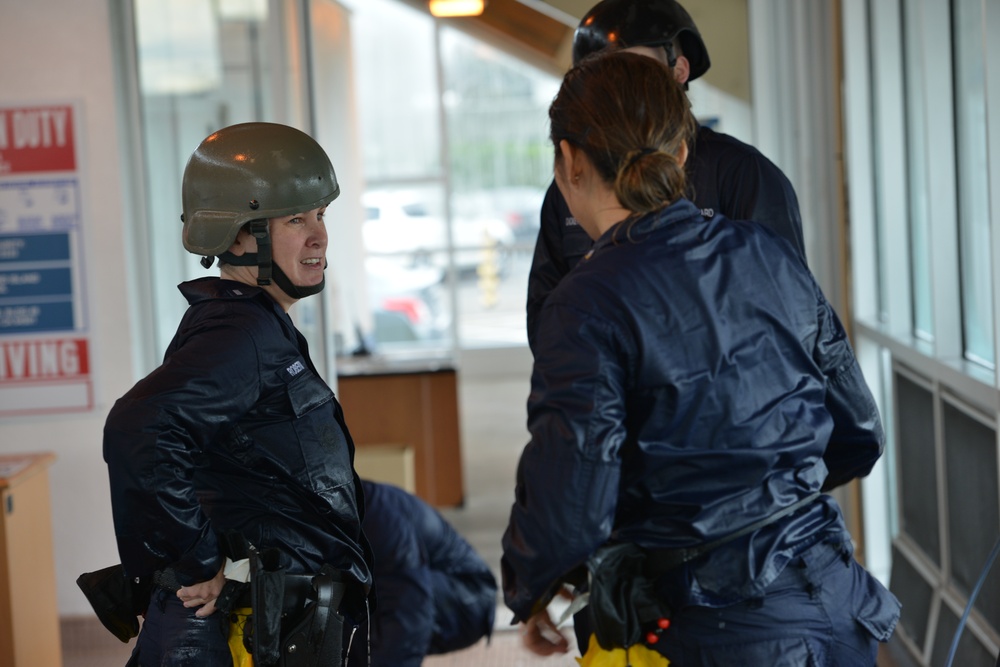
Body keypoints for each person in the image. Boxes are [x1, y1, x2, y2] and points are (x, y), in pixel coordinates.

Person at [501, 51, 900, 665]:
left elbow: (573, 500)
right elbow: (859, 431)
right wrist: (774, 500)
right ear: (683, 153)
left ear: (569, 162)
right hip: (837, 604)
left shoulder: (584, 302)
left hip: (713, 628)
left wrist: (533, 589)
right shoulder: (768, 252)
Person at [103, 122, 374, 667]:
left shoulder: (252, 325)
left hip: (278, 622)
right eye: (295, 219)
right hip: (256, 630)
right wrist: (197, 557)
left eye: (320, 215)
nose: (319, 236)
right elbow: (141, 429)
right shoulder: (240, 333)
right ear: (236, 237)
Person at [526, 0, 806, 352]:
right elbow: (546, 322)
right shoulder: (572, 184)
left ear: (679, 70)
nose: (623, 93)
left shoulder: (743, 172)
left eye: (637, 71)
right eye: (605, 79)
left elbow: (789, 319)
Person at [348, 479, 497, 666]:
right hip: (412, 586)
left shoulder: (376, 514)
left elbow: (408, 609)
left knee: (372, 617)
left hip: (468, 595)